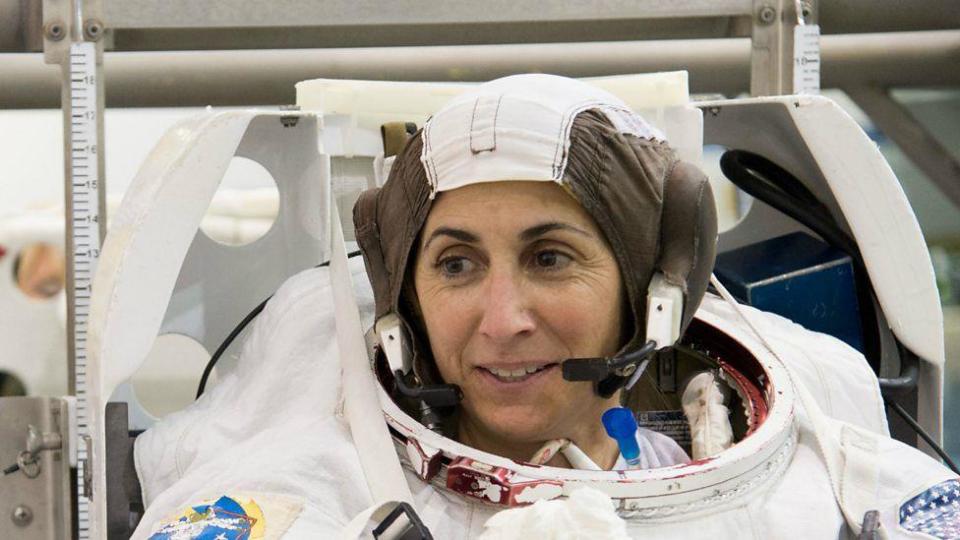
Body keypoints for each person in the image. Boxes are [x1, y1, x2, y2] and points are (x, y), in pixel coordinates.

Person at [135, 75, 958, 539]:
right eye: (455, 263)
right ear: (402, 304)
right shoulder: (304, 493)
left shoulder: (815, 488)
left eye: (550, 258)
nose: (501, 319)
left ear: (655, 292)